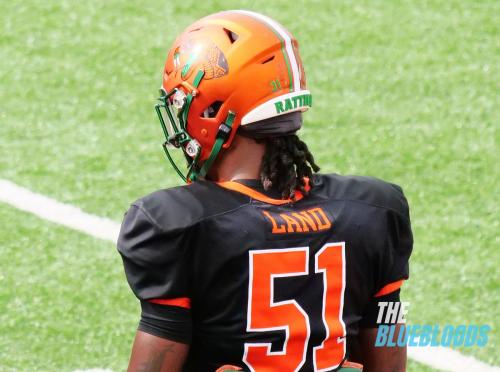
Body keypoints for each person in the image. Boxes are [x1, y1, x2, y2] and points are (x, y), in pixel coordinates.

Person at [118, 10, 412, 372]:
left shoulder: (175, 224)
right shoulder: (375, 210)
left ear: (213, 111)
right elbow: (389, 348)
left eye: (183, 105)